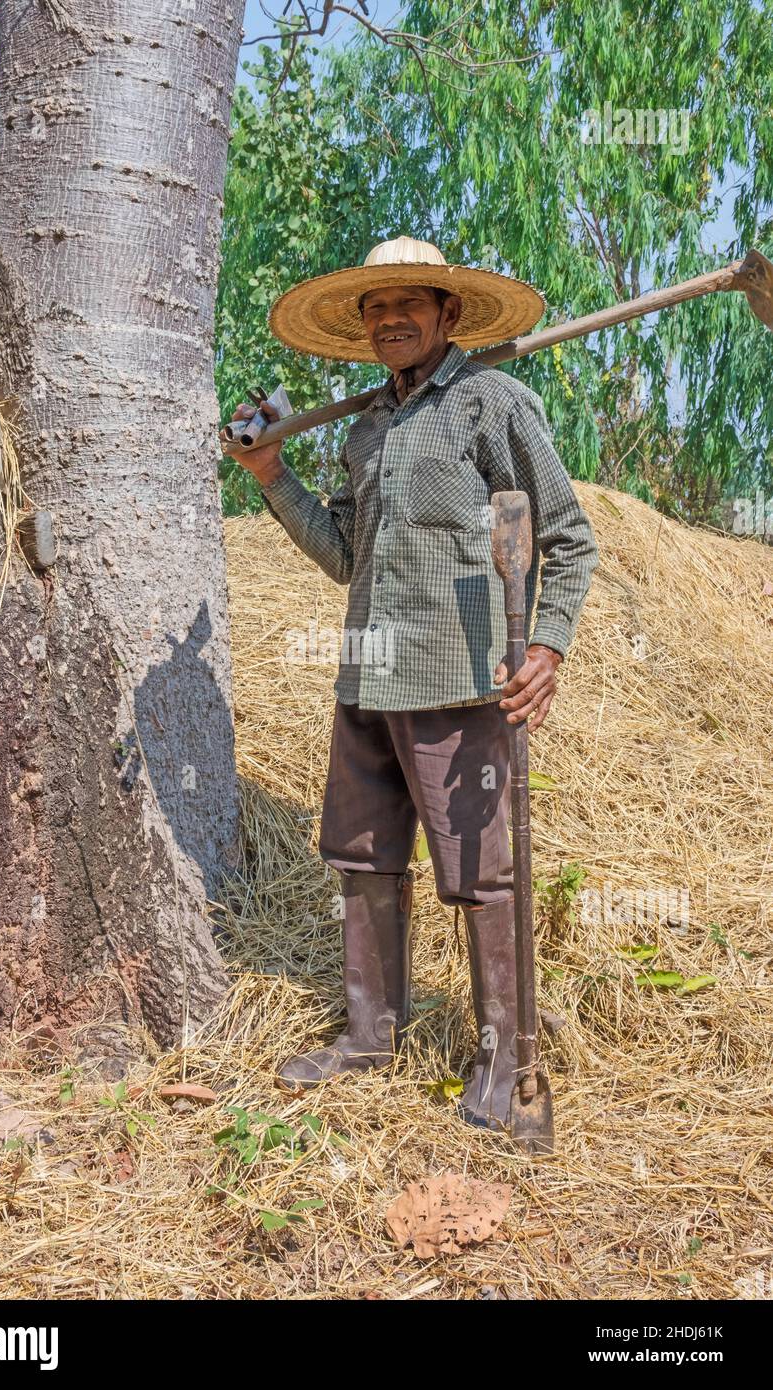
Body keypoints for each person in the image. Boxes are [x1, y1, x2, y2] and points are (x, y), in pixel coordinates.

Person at [227, 236, 598, 1131]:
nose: (390, 320)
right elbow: (342, 556)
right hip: (366, 679)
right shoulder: (364, 430)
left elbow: (568, 537)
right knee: (362, 860)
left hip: (459, 682)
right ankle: (368, 1035)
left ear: (448, 315)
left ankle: (507, 1066)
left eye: (408, 306)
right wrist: (270, 475)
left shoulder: (491, 404)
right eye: (375, 309)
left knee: (481, 874)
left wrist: (544, 648)